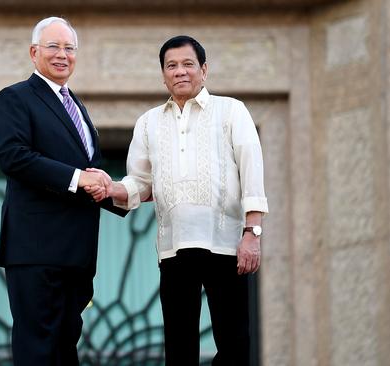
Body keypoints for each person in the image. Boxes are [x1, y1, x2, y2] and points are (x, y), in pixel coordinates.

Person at [85, 35, 269, 365]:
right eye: (172, 66)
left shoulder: (231, 111)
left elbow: (252, 169)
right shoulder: (148, 123)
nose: (180, 72)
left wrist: (251, 233)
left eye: (188, 64)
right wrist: (109, 188)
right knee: (179, 347)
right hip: (174, 247)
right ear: (163, 74)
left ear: (204, 69)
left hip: (226, 244)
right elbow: (140, 184)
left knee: (234, 343)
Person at [0, 16, 126, 366]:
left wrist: (123, 193)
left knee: (66, 349)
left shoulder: (78, 107)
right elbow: (14, 157)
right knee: (37, 348)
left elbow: (91, 173)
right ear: (34, 52)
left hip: (77, 254)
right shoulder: (15, 98)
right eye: (53, 46)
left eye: (69, 48)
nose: (62, 54)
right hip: (35, 250)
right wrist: (79, 178)